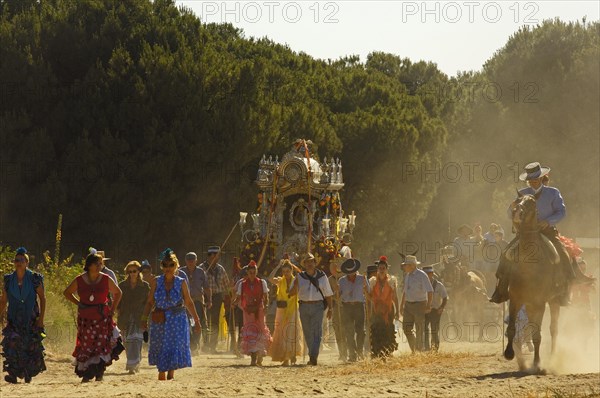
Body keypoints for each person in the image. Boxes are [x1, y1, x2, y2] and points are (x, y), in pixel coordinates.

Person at [490, 162, 594, 305]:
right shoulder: (522, 193)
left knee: (563, 253)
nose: (533, 182)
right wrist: (512, 207)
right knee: (506, 253)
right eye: (530, 180)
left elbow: (561, 212)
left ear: (541, 178)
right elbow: (510, 213)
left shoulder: (553, 192)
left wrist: (549, 221)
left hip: (547, 231)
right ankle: (501, 289)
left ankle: (565, 288)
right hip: (525, 233)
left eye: (535, 179)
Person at [141, 248, 201, 381]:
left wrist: (197, 321)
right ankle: (162, 370)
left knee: (173, 344)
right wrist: (143, 320)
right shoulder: (156, 281)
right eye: (165, 265)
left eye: (171, 265)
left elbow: (189, 302)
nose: (168, 268)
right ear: (162, 266)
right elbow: (150, 302)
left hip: (177, 318)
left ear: (176, 265)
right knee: (160, 344)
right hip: (160, 317)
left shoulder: (181, 282)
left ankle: (171, 373)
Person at [63, 252, 124, 382]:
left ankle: (99, 372)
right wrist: (79, 303)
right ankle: (87, 372)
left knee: (101, 345)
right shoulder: (80, 279)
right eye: (96, 263)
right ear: (89, 265)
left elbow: (118, 293)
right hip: (85, 319)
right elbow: (67, 292)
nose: (99, 266)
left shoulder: (106, 278)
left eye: (100, 263)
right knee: (87, 345)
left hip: (102, 317)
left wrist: (112, 309)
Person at [0, 247, 46, 384]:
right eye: (16, 260)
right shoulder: (8, 280)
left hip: (31, 316)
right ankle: (13, 374)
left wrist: (41, 319)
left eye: (21, 260)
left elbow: (42, 298)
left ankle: (28, 373)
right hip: (14, 317)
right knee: (13, 344)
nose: (18, 262)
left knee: (29, 344)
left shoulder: (34, 279)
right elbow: (3, 300)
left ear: (27, 262)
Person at [288, 253, 334, 366]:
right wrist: (295, 285)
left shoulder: (322, 276)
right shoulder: (299, 277)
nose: (309, 264)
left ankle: (313, 356)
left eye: (311, 261)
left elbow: (328, 293)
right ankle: (312, 355)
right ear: (304, 264)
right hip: (303, 306)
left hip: (318, 306)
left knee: (316, 332)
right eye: (307, 262)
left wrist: (331, 308)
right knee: (307, 332)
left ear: (315, 263)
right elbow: (291, 293)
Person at [232, 261, 272, 366]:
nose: (252, 274)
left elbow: (266, 296)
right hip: (247, 311)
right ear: (247, 273)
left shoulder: (262, 282)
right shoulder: (242, 284)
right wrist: (234, 303)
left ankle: (260, 354)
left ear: (256, 272)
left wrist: (266, 306)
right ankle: (253, 358)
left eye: (254, 272)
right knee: (251, 332)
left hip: (259, 310)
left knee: (259, 331)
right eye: (250, 272)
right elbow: (238, 297)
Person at [268, 259, 303, 366]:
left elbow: (302, 274)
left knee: (291, 332)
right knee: (282, 333)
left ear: (291, 271)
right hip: (282, 310)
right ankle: (286, 357)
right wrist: (278, 266)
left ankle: (292, 355)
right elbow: (270, 278)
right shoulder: (280, 281)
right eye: (284, 271)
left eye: (288, 271)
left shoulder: (296, 280)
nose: (286, 273)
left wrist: (293, 265)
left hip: (292, 309)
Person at [117, 261, 150, 374]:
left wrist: (146, 315)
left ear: (138, 271)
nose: (132, 273)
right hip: (125, 317)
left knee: (137, 340)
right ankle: (134, 361)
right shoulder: (122, 285)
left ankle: (133, 364)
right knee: (127, 341)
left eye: (134, 271)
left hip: (139, 317)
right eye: (130, 271)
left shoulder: (145, 286)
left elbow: (149, 302)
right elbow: (117, 300)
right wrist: (117, 309)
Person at [399, 255, 433, 353]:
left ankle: (417, 350)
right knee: (406, 328)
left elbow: (430, 291)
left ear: (412, 265)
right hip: (408, 305)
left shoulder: (422, 275)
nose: (404, 267)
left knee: (419, 329)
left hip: (420, 305)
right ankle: (415, 348)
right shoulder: (407, 276)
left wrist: (429, 305)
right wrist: (402, 306)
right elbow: (405, 292)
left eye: (406, 265)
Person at [337, 258, 369, 362]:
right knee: (348, 331)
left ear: (355, 270)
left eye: (352, 271)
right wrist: (337, 293)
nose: (351, 273)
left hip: (359, 306)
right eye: (349, 272)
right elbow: (337, 296)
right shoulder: (341, 281)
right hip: (347, 307)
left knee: (361, 331)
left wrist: (366, 291)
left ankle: (359, 351)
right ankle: (352, 354)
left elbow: (368, 292)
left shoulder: (362, 279)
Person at [201, 246, 231, 354]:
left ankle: (212, 346)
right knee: (204, 321)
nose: (215, 258)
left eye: (217, 256)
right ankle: (204, 345)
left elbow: (226, 284)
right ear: (209, 256)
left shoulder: (220, 269)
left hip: (217, 297)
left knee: (214, 322)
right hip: (204, 296)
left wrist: (229, 296)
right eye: (213, 256)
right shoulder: (202, 268)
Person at [368, 256, 399, 359]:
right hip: (376, 310)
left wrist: (398, 311)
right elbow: (370, 297)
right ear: (377, 269)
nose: (381, 270)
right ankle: (377, 353)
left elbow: (395, 297)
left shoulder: (391, 281)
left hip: (388, 310)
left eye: (383, 268)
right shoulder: (372, 281)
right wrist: (365, 292)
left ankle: (388, 352)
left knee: (388, 330)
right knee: (376, 330)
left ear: (386, 269)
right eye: (380, 268)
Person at [182, 252, 211, 354]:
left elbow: (207, 287)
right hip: (184, 302)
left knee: (196, 323)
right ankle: (190, 344)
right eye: (188, 260)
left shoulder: (200, 272)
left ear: (196, 260)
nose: (190, 262)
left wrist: (209, 300)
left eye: (192, 260)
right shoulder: (181, 272)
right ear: (185, 261)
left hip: (197, 302)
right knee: (185, 323)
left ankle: (195, 345)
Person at [422, 266, 448, 352]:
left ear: (432, 274)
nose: (427, 275)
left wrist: (441, 308)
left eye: (429, 273)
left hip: (435, 310)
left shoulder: (439, 285)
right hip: (424, 310)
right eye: (425, 274)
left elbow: (445, 298)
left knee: (434, 330)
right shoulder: (420, 285)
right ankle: (426, 348)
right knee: (424, 329)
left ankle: (435, 348)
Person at [328, 263, 348, 361]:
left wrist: (340, 291)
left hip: (346, 307)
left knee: (346, 330)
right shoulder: (330, 279)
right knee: (338, 330)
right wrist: (334, 293)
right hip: (336, 307)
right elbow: (328, 294)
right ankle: (341, 352)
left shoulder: (345, 278)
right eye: (333, 267)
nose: (335, 268)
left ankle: (347, 351)